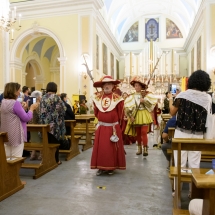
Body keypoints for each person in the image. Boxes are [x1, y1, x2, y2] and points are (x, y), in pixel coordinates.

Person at [168, 70, 212, 196]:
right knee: (194, 163)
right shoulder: (207, 98)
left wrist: (171, 99)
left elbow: (172, 112)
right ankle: (193, 191)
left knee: (180, 162)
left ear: (191, 81)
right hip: (198, 135)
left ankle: (177, 190)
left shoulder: (182, 95)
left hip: (181, 133)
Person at [91, 75, 126, 176]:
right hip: (102, 128)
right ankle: (100, 167)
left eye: (109, 84)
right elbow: (96, 113)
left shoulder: (118, 99)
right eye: (105, 84)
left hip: (113, 128)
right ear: (102, 86)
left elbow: (120, 114)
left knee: (110, 149)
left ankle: (111, 167)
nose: (107, 86)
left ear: (113, 86)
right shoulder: (97, 98)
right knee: (101, 149)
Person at [0, 82, 38, 157]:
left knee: (7, 158)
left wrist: (22, 109)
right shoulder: (15, 103)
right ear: (14, 91)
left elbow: (13, 115)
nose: (19, 93)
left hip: (5, 134)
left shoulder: (3, 102)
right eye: (19, 91)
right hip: (16, 134)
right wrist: (31, 109)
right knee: (16, 159)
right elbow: (26, 118)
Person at [124, 76, 157, 156]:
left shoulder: (146, 94)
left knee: (143, 132)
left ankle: (145, 148)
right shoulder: (131, 96)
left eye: (138, 85)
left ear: (141, 86)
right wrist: (130, 116)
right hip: (136, 115)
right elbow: (127, 107)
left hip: (144, 114)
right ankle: (139, 148)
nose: (137, 87)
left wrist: (144, 101)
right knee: (138, 133)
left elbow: (151, 104)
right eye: (135, 85)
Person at [40, 82, 66, 165]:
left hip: (44, 123)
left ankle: (47, 159)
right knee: (55, 142)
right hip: (54, 124)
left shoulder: (43, 97)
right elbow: (63, 109)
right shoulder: (56, 97)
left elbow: (41, 110)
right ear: (55, 88)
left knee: (46, 142)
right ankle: (56, 160)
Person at [28, 91, 43, 160]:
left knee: (33, 138)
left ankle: (33, 153)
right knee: (40, 138)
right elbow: (40, 116)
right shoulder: (39, 105)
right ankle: (41, 153)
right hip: (38, 124)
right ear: (39, 97)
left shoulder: (30, 105)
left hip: (31, 124)